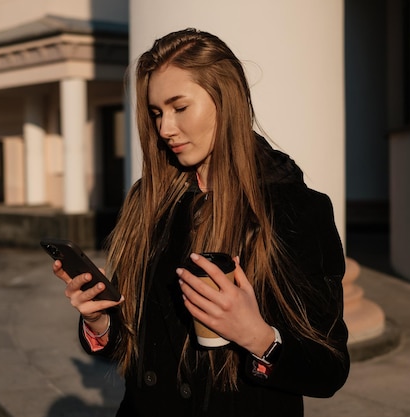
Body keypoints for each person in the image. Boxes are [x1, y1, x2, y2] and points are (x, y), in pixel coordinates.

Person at [53, 28, 350, 417]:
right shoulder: (149, 200)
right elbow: (133, 350)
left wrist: (257, 336)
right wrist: (99, 321)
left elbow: (328, 369)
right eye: (157, 113)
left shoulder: (295, 210)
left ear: (225, 101)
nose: (164, 129)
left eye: (179, 107)